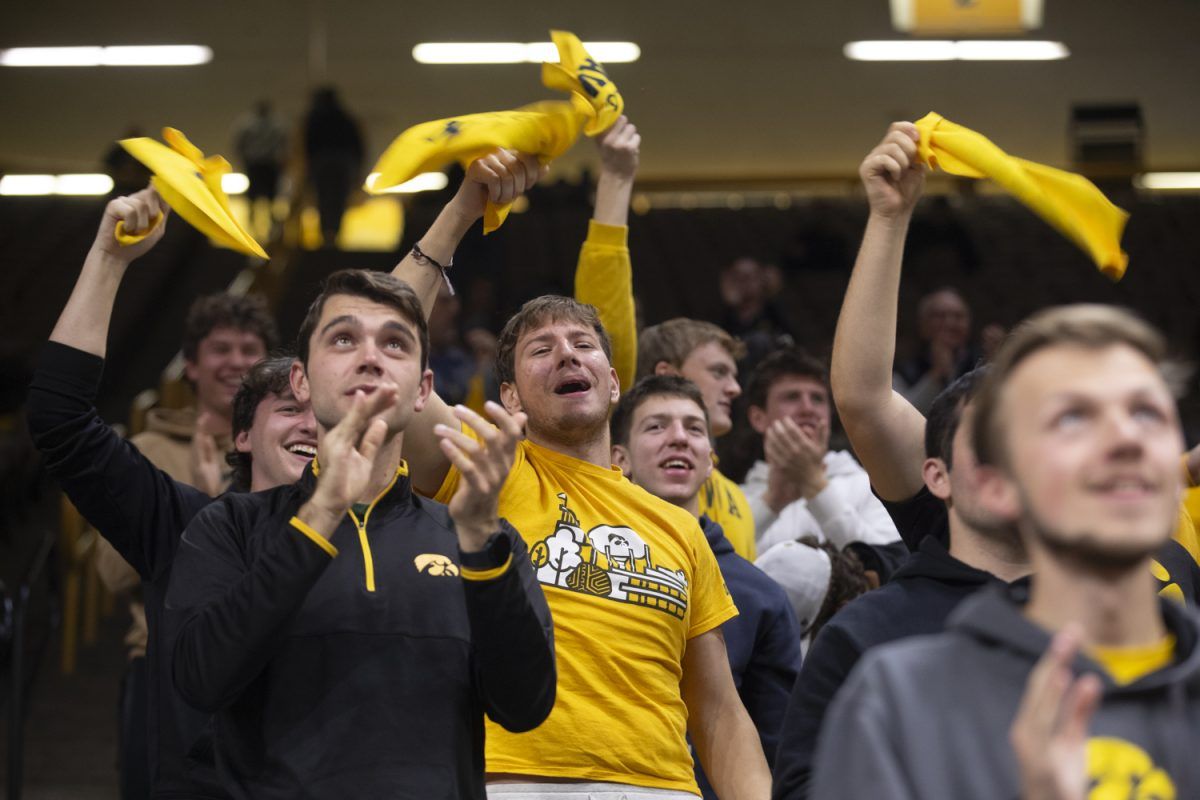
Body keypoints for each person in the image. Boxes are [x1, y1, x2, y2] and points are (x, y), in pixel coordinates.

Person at [392, 135, 770, 796]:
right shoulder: (485, 464)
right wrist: (462, 209)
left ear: (615, 381)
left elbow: (717, 710)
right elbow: (384, 353)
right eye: (541, 350)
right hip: (510, 778)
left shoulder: (678, 527)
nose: (568, 356)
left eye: (583, 344)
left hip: (660, 786)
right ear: (507, 394)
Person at [167, 269, 555, 798]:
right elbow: (199, 680)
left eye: (394, 343)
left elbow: (525, 706)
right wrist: (321, 515)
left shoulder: (477, 538)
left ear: (422, 391)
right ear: (302, 380)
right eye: (344, 338)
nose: (370, 357)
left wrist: (483, 542)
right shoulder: (231, 524)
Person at [812, 303, 1200, 799]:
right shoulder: (898, 700)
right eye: (1074, 419)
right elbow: (864, 399)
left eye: (1147, 411)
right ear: (997, 484)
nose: (1125, 437)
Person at [26, 187, 316, 798]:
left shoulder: (375, 536)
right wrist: (108, 259)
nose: (311, 423)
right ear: (243, 434)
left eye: (324, 411)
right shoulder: (185, 519)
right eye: (289, 407)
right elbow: (61, 420)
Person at [610, 374, 801, 798]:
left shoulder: (761, 596)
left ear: (710, 460)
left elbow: (780, 750)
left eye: (694, 428)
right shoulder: (589, 571)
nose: (679, 438)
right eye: (656, 426)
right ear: (617, 458)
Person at [739, 348, 900, 555]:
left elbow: (887, 565)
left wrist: (814, 485)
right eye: (791, 397)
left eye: (817, 399)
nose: (808, 408)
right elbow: (714, 565)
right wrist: (772, 502)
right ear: (758, 418)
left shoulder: (871, 486)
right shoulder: (736, 498)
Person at [638, 318, 758, 560]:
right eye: (718, 372)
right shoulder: (626, 469)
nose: (735, 388)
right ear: (668, 375)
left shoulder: (737, 495)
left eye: (733, 376)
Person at [893, 286, 980, 414]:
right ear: (923, 325)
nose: (950, 323)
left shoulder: (981, 361)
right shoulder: (903, 372)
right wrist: (937, 375)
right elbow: (901, 418)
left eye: (958, 316)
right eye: (940, 316)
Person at [303, 86, 365, 246]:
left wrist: (308, 170)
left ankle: (326, 235)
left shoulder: (314, 118)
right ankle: (335, 234)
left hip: (322, 162)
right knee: (339, 199)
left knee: (324, 199)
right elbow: (357, 145)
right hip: (343, 162)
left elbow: (309, 145)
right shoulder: (346, 118)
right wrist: (358, 169)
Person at [233, 99, 289, 234]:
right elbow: (238, 143)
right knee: (258, 196)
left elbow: (238, 143)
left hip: (263, 163)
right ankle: (255, 224)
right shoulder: (274, 124)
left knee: (267, 196)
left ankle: (263, 225)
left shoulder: (250, 124)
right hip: (260, 163)